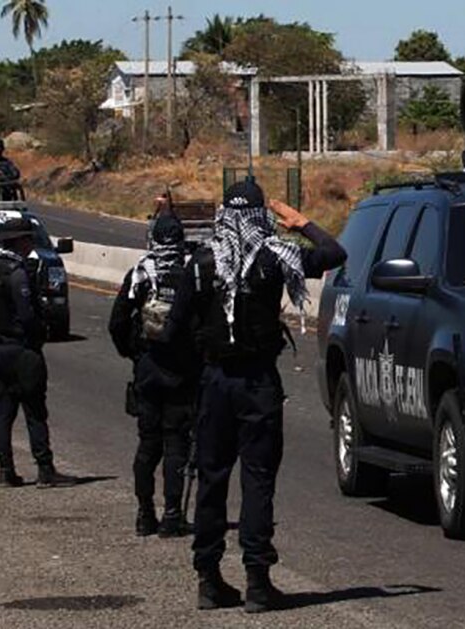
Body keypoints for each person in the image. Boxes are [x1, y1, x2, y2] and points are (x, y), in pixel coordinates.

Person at [167, 181, 346, 613]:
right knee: (258, 480)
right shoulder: (275, 255)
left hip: (215, 382)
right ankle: (257, 582)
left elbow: (173, 331)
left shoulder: (201, 261)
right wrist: (301, 223)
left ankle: (208, 579)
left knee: (212, 479)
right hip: (257, 384)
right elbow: (334, 253)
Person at [109, 207, 201, 538]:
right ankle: (173, 515)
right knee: (176, 443)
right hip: (181, 372)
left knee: (148, 445)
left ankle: (144, 514)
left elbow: (117, 322)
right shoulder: (193, 272)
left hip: (148, 370)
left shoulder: (141, 274)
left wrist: (134, 353)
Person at [0, 217, 76, 489]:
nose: (31, 245)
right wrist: (40, 330)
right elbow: (27, 314)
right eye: (29, 239)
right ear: (20, 241)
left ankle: (5, 470)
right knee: (35, 411)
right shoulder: (18, 273)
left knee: (4, 412)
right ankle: (45, 469)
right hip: (21, 349)